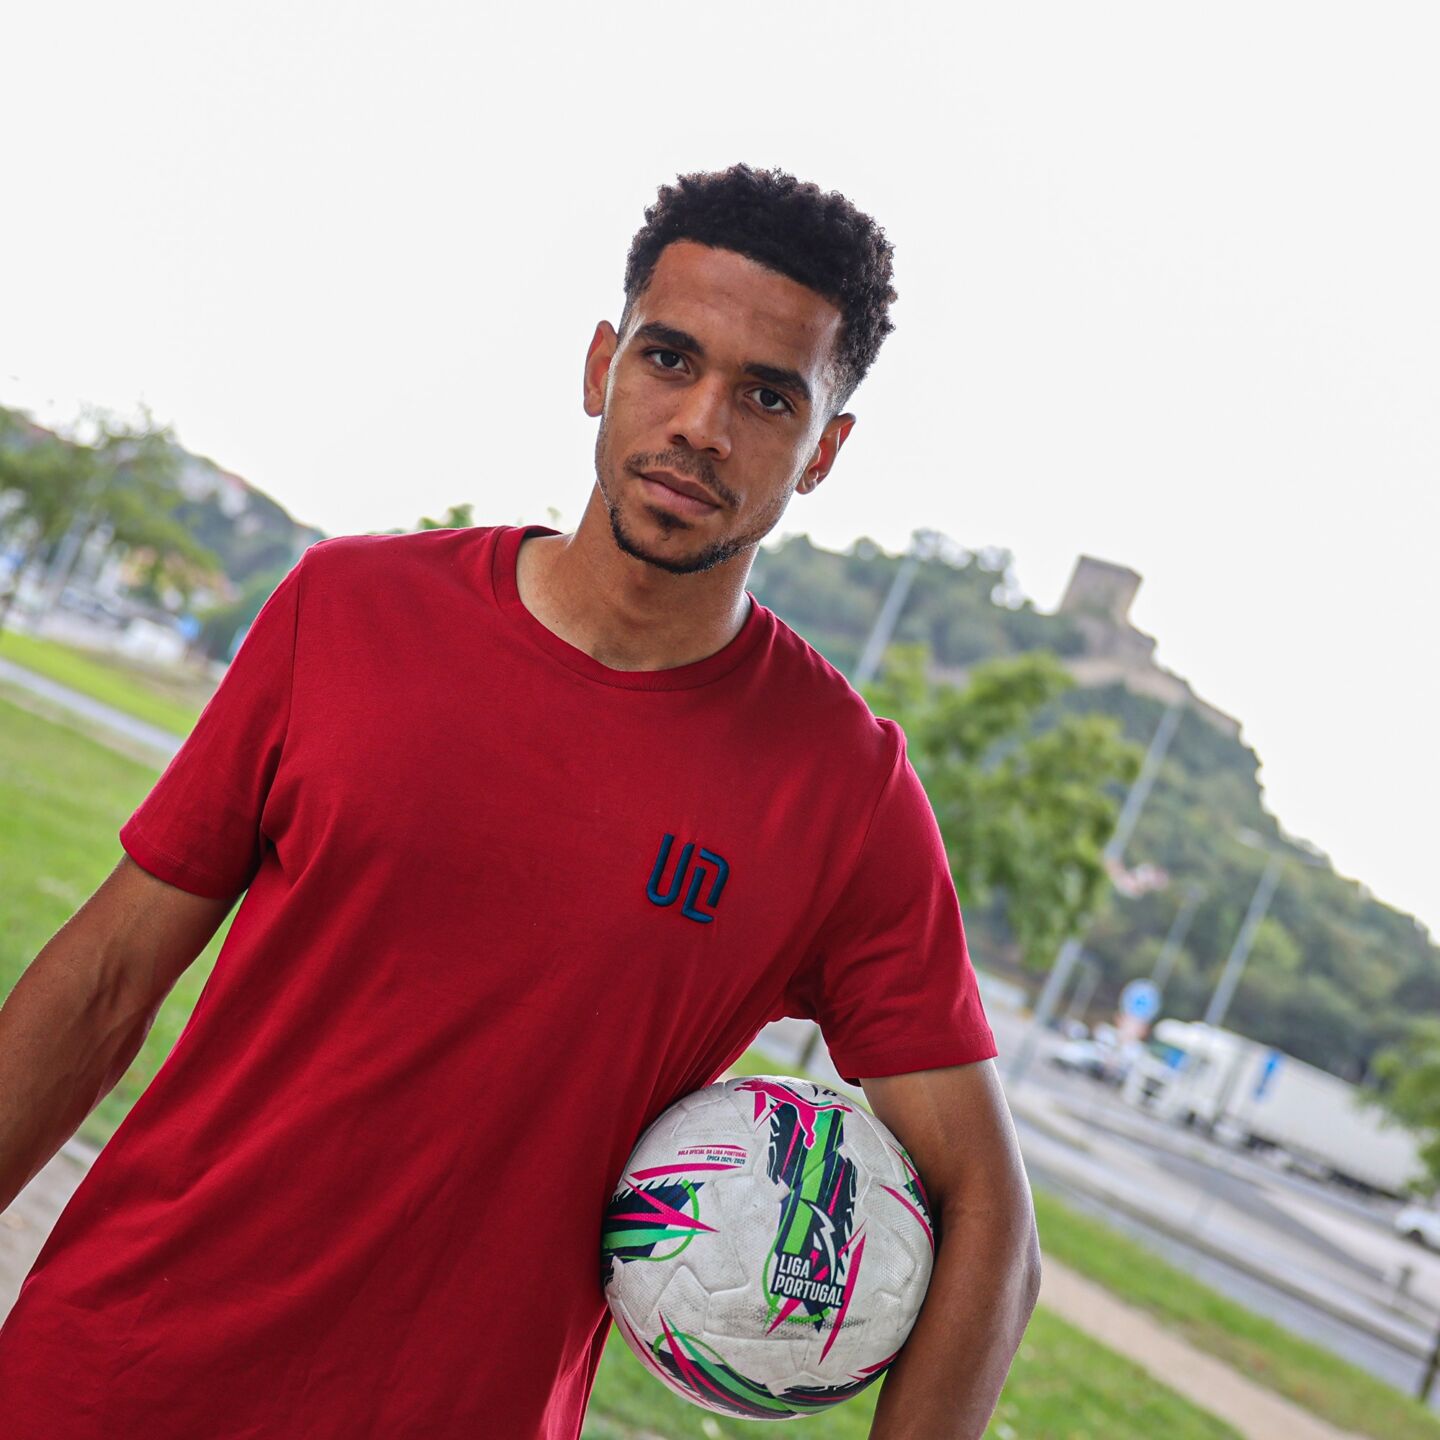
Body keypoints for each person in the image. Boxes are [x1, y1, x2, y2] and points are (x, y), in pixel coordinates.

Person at [0, 164, 1040, 1438]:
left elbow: (991, 1222)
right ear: (602, 366)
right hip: (109, 1376)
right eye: (670, 359)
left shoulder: (844, 793)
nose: (701, 425)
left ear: (823, 450)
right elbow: (105, 985)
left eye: (768, 396)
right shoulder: (346, 611)